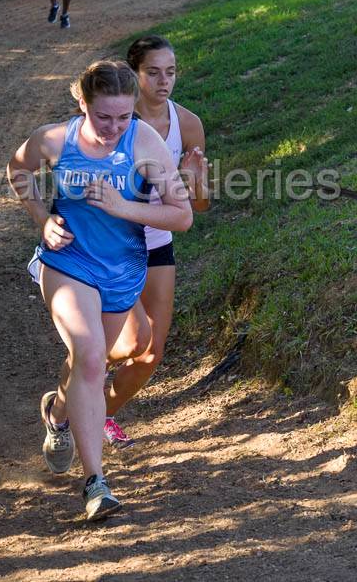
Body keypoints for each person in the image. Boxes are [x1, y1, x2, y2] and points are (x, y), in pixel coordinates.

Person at [7, 60, 192, 521]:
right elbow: (18, 168)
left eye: (123, 117)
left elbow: (182, 215)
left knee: (104, 355)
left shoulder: (143, 142)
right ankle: (96, 485)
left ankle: (59, 412)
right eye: (102, 116)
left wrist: (124, 205)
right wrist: (41, 218)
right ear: (82, 104)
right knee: (90, 354)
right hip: (67, 261)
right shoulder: (55, 139)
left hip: (122, 269)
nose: (113, 128)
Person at [103, 36, 210, 450]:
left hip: (158, 242)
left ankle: (103, 412)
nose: (164, 81)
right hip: (110, 245)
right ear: (134, 74)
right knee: (118, 343)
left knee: (151, 354)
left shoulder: (188, 124)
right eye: (153, 72)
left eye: (171, 71)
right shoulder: (114, 122)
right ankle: (75, 394)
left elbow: (197, 206)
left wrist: (192, 179)